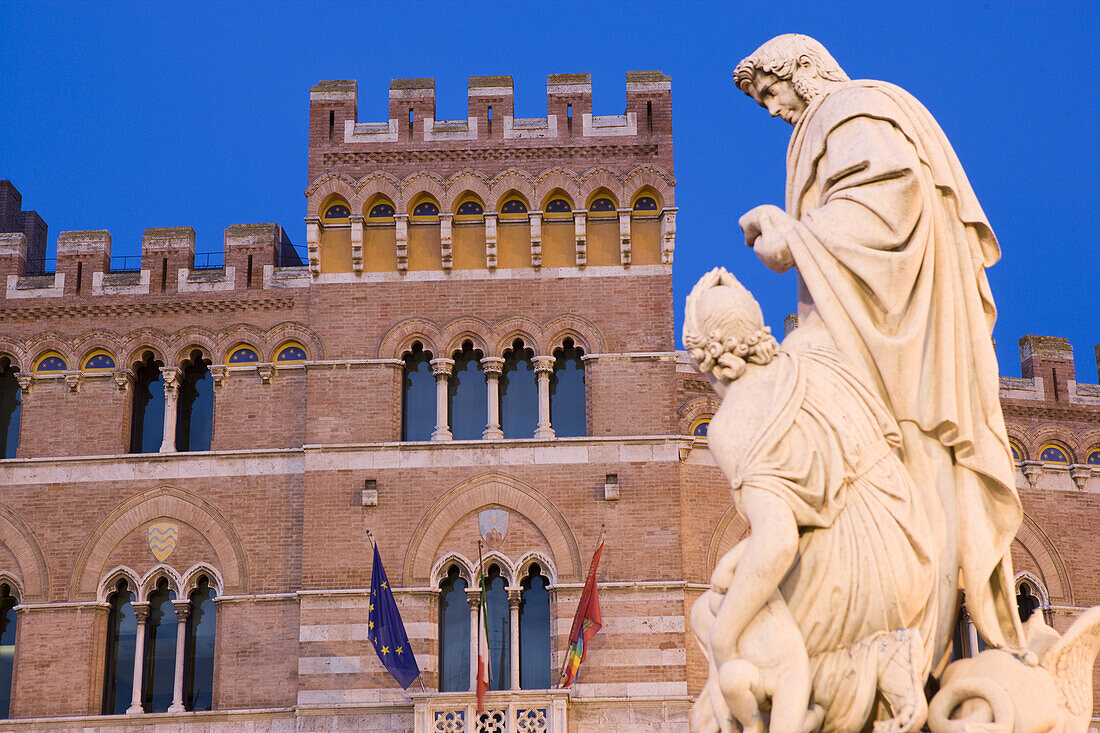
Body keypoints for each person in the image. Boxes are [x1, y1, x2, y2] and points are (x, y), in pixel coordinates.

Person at [732, 34, 1027, 671]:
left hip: (902, 353)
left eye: (774, 91)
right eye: (763, 101)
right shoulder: (834, 119)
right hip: (880, 333)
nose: (775, 107)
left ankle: (907, 666)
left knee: (915, 501)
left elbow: (890, 199)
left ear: (804, 70)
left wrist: (796, 237)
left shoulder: (849, 110)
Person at [685, 268, 934, 733]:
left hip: (854, 578)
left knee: (714, 619)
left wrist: (724, 640)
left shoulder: (732, 421)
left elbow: (778, 539)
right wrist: (794, 236)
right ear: (757, 330)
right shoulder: (811, 351)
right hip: (910, 546)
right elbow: (831, 287)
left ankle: (858, 670)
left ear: (703, 357)